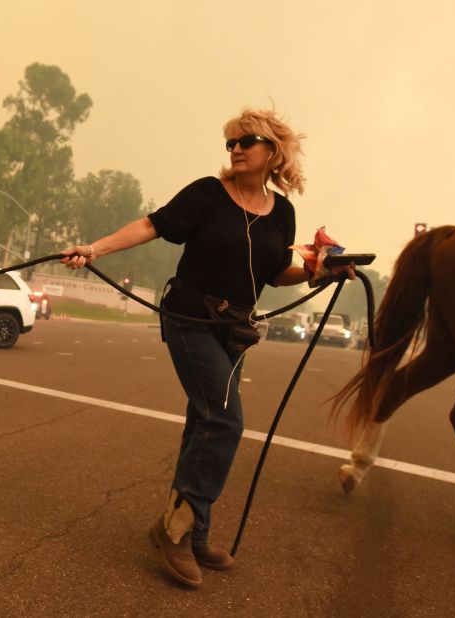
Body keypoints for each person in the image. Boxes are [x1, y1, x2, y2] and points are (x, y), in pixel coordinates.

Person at [61, 108, 350, 588]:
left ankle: (196, 535)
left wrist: (322, 270)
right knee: (224, 418)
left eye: (246, 141)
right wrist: (94, 249)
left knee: (204, 421)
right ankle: (173, 532)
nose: (235, 149)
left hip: (234, 328)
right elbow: (151, 225)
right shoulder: (207, 194)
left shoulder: (282, 212)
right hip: (190, 318)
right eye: (231, 143)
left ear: (271, 151)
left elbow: (277, 272)